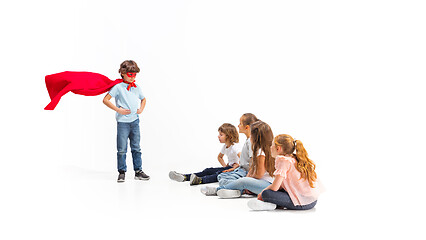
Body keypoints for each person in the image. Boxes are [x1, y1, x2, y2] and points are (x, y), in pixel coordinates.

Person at [247, 134, 324, 211]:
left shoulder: (283, 160)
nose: (270, 147)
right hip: (312, 200)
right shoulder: (293, 158)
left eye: (272, 145)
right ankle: (276, 204)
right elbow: (281, 185)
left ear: (278, 148)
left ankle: (272, 205)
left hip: (303, 203)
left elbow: (274, 187)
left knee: (266, 194)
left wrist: (262, 192)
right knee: (276, 191)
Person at [103, 60, 150, 182]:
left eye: (134, 75)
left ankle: (138, 171)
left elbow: (143, 99)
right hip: (123, 123)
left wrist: (141, 109)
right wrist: (118, 109)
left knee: (136, 147)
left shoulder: (136, 87)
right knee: (122, 149)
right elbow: (106, 100)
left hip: (135, 122)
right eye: (130, 74)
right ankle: (122, 172)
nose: (132, 77)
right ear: (123, 73)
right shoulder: (118, 87)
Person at [205, 121, 275, 198]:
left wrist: (247, 180)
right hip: (262, 183)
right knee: (242, 180)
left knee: (243, 181)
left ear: (256, 137)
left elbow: (259, 174)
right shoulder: (260, 150)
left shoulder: (261, 152)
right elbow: (252, 169)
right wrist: (248, 178)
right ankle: (238, 191)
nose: (250, 137)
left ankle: (217, 190)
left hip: (267, 185)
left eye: (251, 134)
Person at [201, 113, 258, 195]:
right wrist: (234, 167)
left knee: (223, 179)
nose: (238, 126)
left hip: (245, 171)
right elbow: (244, 161)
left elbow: (253, 162)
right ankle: (236, 188)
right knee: (220, 177)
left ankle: (240, 190)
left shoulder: (250, 142)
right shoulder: (248, 140)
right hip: (241, 169)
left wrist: (247, 178)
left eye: (240, 124)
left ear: (247, 127)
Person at [169, 123, 240, 185]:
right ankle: (185, 177)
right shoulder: (225, 146)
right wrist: (225, 166)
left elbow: (243, 158)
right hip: (229, 168)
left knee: (218, 174)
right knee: (208, 170)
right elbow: (219, 157)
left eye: (221, 135)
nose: (218, 136)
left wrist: (236, 167)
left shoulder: (234, 147)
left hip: (234, 170)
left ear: (229, 136)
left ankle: (200, 180)